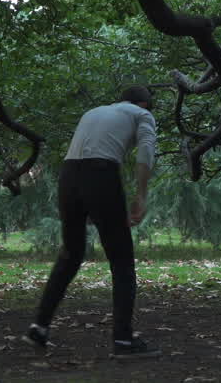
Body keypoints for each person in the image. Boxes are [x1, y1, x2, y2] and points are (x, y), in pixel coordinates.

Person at [25, 86, 161, 359]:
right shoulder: (142, 115)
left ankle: (39, 327)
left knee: (71, 254)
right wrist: (141, 196)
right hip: (101, 173)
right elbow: (146, 152)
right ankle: (123, 341)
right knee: (122, 260)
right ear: (144, 104)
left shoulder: (93, 112)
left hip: (68, 176)